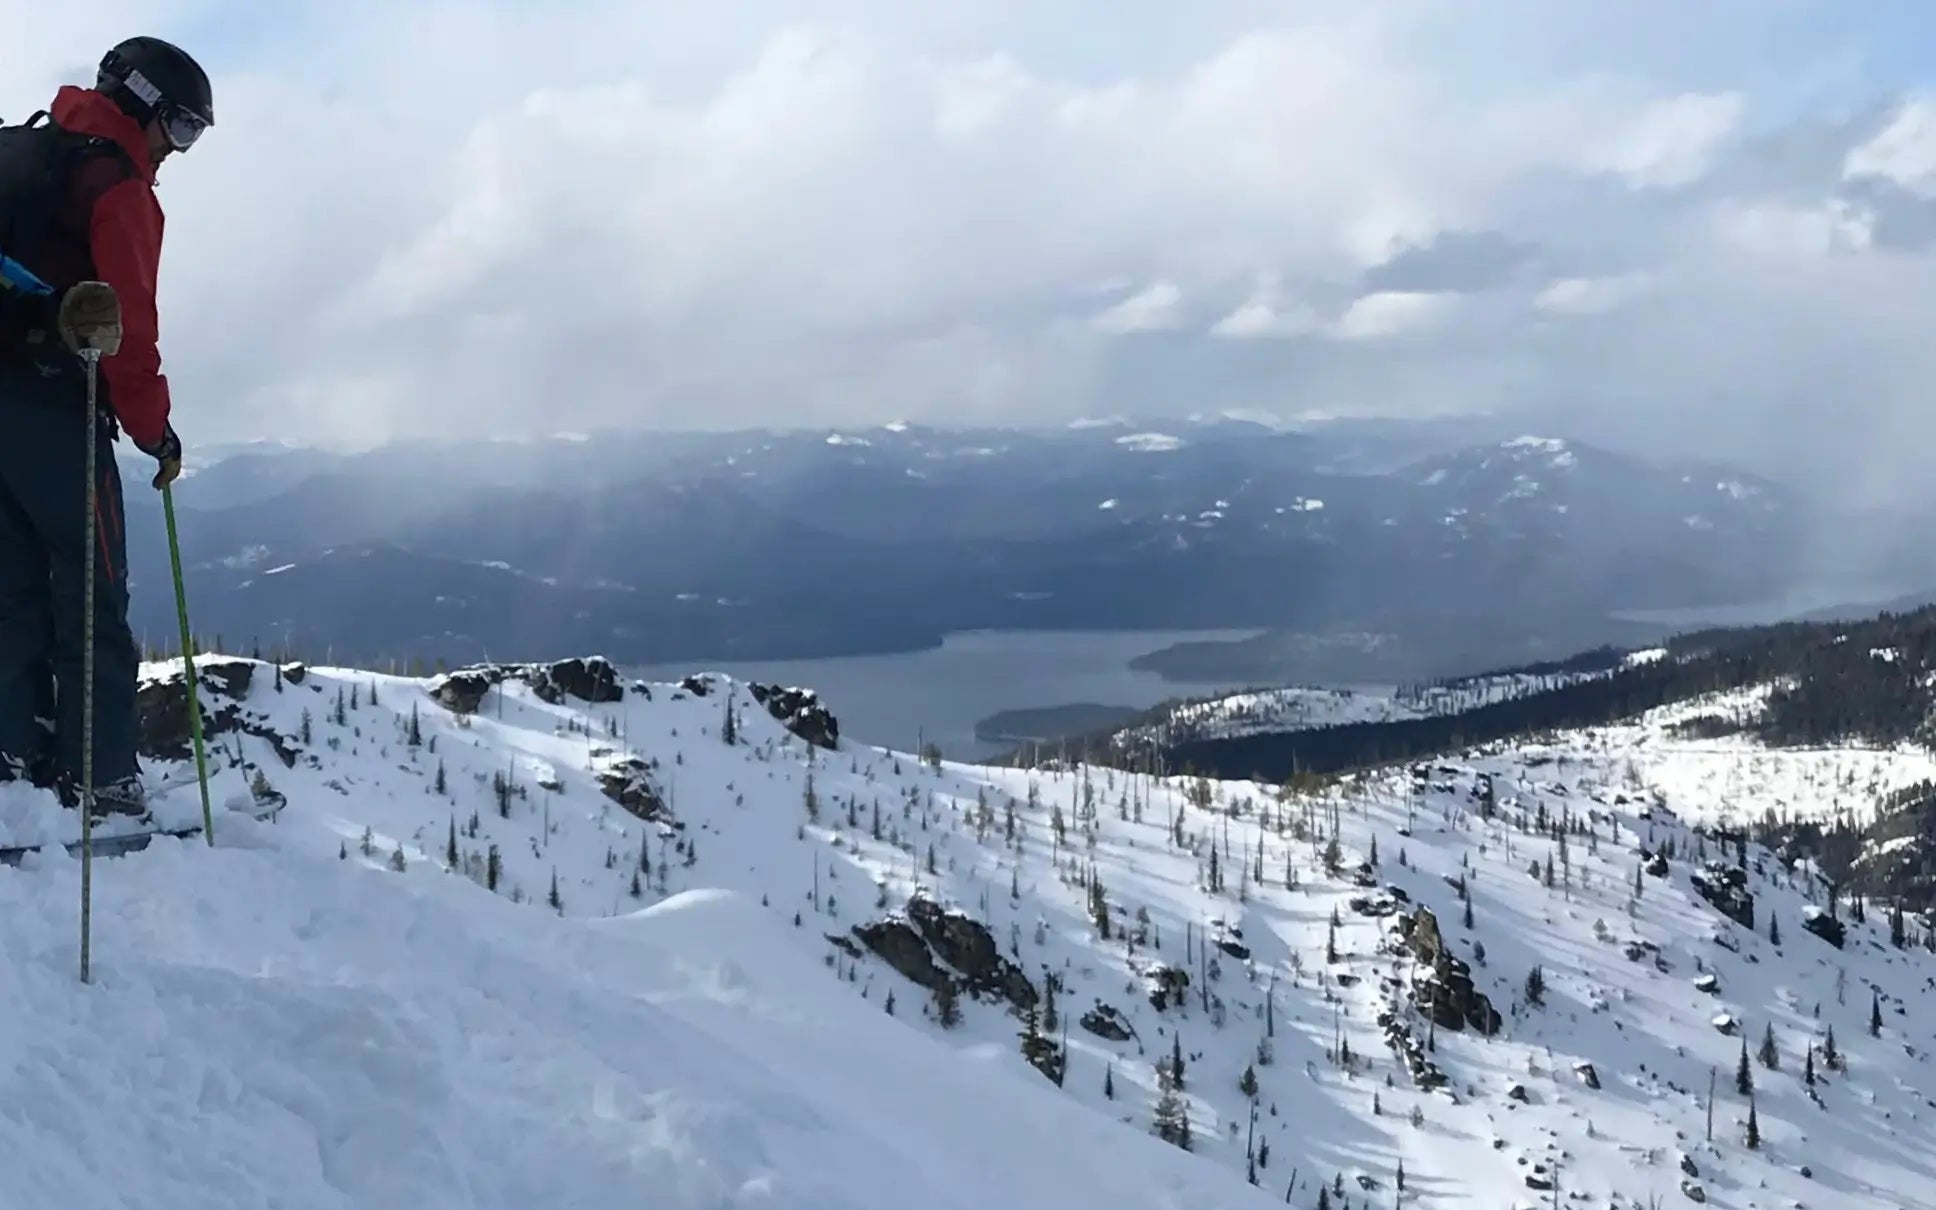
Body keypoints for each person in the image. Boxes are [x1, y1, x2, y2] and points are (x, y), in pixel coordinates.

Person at [0, 36, 212, 818]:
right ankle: (103, 776)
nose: (177, 151)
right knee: (92, 594)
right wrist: (155, 431)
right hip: (59, 409)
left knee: (13, 591)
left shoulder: (27, 151)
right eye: (183, 129)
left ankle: (11, 757)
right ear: (148, 107)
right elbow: (129, 334)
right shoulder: (117, 188)